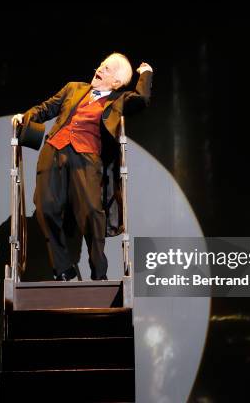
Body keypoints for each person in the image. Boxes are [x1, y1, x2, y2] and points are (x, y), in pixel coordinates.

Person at [12, 52, 153, 281]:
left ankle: (99, 272)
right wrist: (25, 116)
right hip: (55, 148)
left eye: (107, 68)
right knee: (45, 206)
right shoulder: (73, 88)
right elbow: (47, 108)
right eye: (101, 64)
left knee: (91, 213)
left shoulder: (117, 100)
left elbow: (142, 99)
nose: (100, 68)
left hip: (87, 157)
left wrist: (146, 73)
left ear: (116, 82)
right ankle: (62, 267)